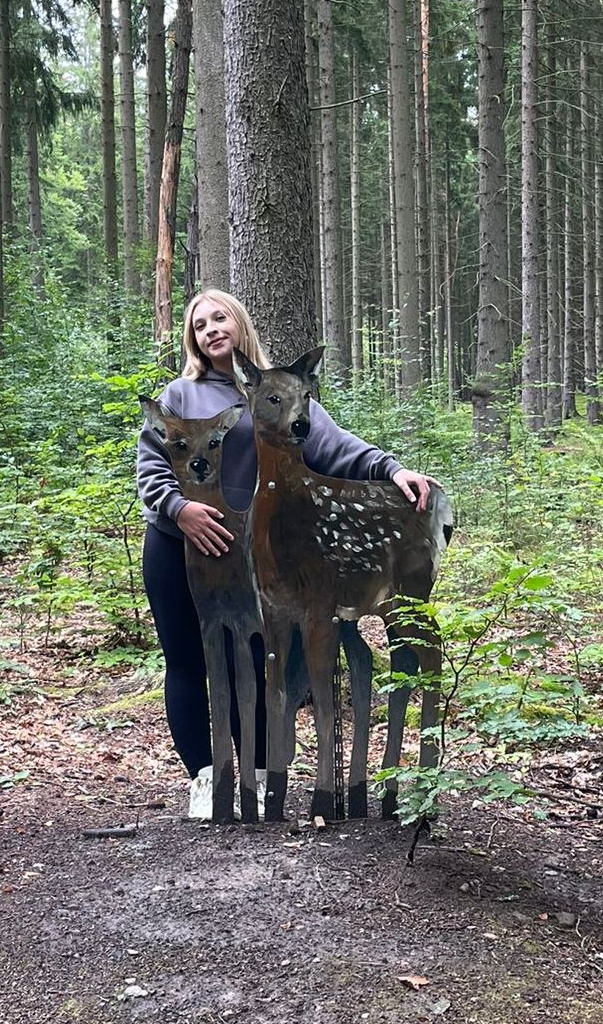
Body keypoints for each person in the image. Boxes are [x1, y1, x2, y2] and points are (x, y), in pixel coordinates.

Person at [136, 288, 436, 817]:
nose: (211, 329)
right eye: (199, 324)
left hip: (249, 552)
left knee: (257, 659)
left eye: (219, 318)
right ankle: (204, 777)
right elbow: (151, 466)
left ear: (239, 323)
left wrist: (392, 469)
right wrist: (179, 511)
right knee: (186, 661)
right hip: (176, 545)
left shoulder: (277, 389)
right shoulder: (180, 395)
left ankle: (251, 775)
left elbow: (335, 445)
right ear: (192, 339)